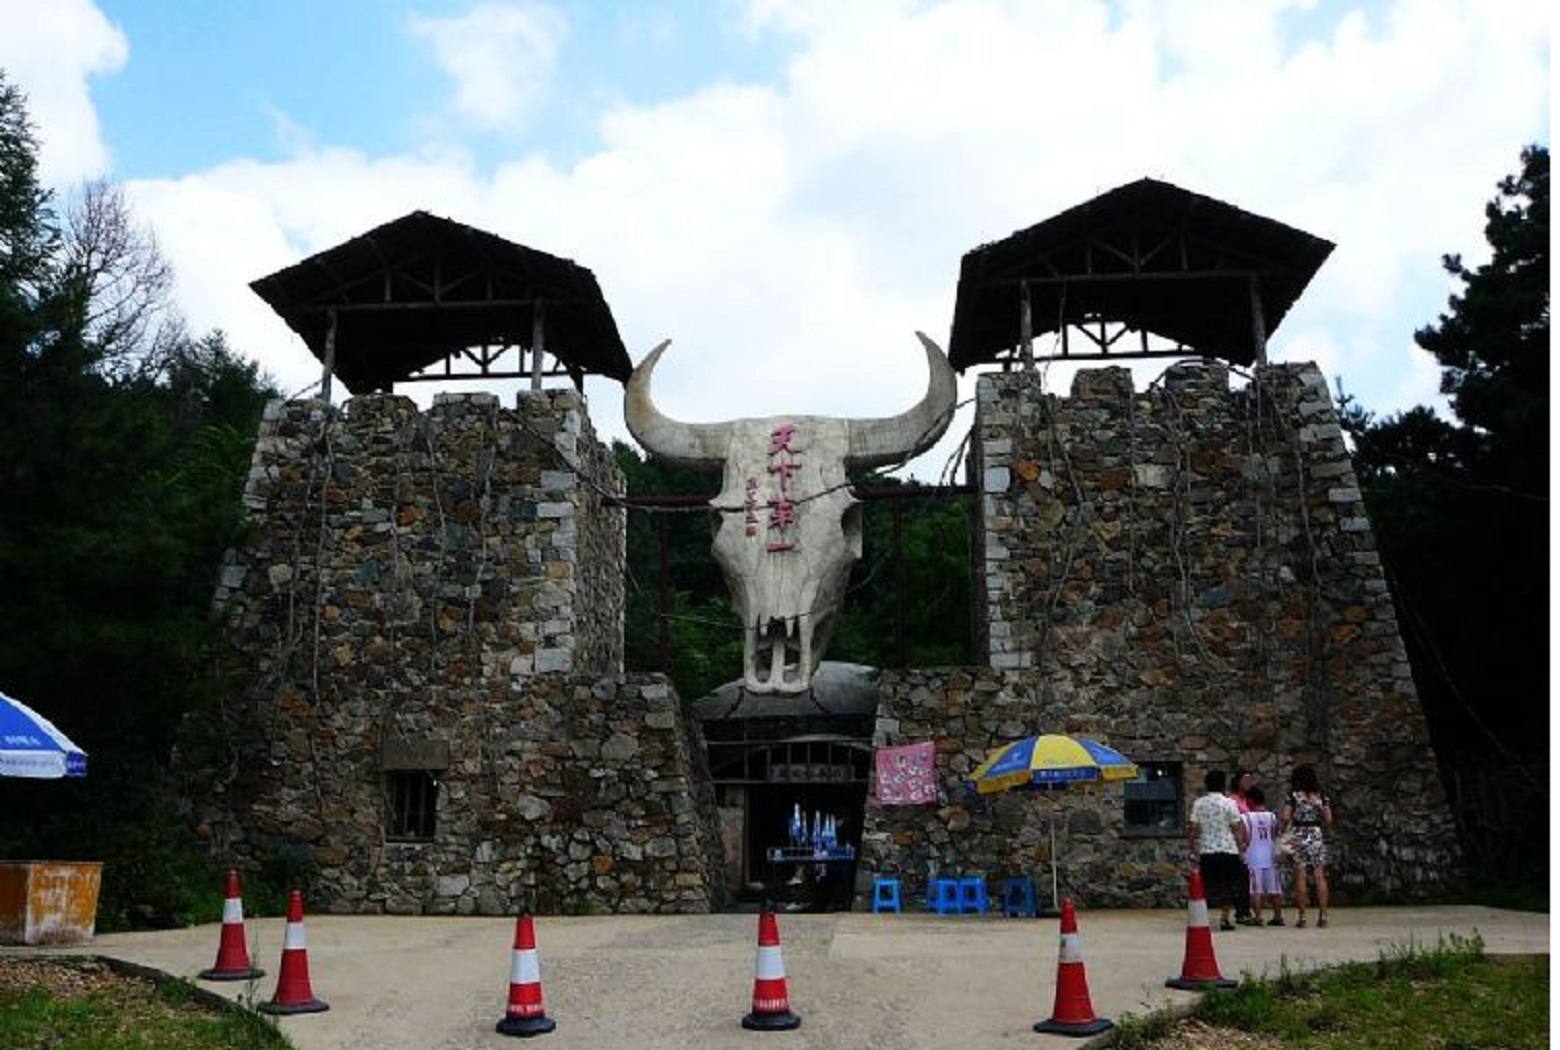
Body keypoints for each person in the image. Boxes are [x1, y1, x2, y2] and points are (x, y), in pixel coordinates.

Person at [1188, 769, 1248, 931]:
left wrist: (1192, 847)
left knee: (1207, 885)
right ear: (1223, 785)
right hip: (1228, 848)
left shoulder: (1199, 804)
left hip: (1207, 849)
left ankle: (1203, 917)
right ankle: (1225, 918)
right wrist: (1241, 847)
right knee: (1229, 885)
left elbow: (1193, 828)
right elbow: (1236, 828)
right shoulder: (1229, 803)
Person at [1279, 765, 1333, 928]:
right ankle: (1323, 916)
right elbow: (1329, 819)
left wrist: (1283, 829)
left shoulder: (1293, 796)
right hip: (1315, 834)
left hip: (1299, 834)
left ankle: (1302, 916)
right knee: (1319, 876)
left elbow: (1286, 816)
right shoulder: (1321, 796)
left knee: (1300, 876)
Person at [1242, 787, 1284, 925]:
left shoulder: (1246, 817)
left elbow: (1245, 837)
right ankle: (1278, 915)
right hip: (1270, 853)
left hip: (1253, 854)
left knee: (1255, 889)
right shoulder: (1272, 816)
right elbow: (1275, 834)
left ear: (1251, 800)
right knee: (1275, 888)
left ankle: (1258, 916)